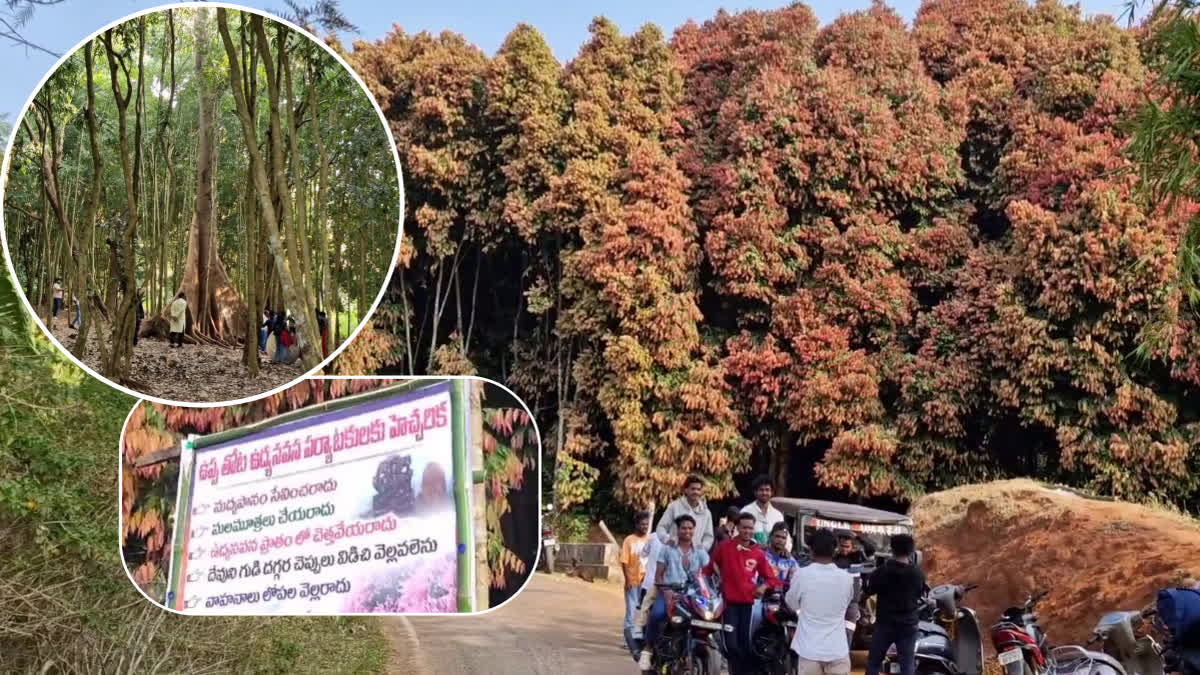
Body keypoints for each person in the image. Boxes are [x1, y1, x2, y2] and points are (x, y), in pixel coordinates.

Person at [704, 512, 782, 675]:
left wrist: (763, 587)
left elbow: (772, 578)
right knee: (730, 645)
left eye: (750, 528)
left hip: (748, 605)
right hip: (728, 604)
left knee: (744, 644)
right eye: (744, 527)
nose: (747, 531)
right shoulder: (724, 547)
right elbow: (708, 570)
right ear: (738, 527)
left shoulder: (758, 553)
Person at [639, 514, 710, 671]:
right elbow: (659, 574)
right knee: (657, 615)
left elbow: (708, 572)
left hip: (693, 596)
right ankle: (648, 649)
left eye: (690, 528)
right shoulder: (667, 549)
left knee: (707, 619)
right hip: (669, 592)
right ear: (677, 530)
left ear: (694, 530)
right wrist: (666, 592)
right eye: (683, 528)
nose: (687, 531)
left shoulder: (700, 551)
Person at [785, 528, 856, 675]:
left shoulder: (802, 575)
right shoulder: (847, 579)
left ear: (811, 551)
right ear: (835, 551)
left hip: (809, 651)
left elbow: (791, 602)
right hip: (838, 651)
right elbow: (848, 602)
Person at [863, 534, 925, 675]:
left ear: (892, 549)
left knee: (874, 662)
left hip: (885, 624)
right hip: (908, 626)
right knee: (907, 664)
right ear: (911, 551)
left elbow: (868, 590)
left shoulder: (881, 572)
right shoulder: (917, 573)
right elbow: (920, 593)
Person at [620, 512, 652, 658]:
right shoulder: (629, 540)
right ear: (637, 525)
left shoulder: (650, 540)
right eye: (642, 524)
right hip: (632, 582)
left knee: (644, 612)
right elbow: (624, 561)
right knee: (631, 611)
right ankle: (628, 640)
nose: (645, 527)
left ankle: (641, 639)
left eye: (647, 524)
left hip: (646, 583)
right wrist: (627, 580)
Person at [655, 475, 714, 553]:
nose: (696, 492)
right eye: (693, 489)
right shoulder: (674, 506)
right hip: (674, 554)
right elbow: (661, 527)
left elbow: (709, 537)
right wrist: (668, 540)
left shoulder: (706, 513)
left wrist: (702, 548)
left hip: (695, 557)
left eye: (698, 489)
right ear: (686, 490)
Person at [741, 475, 788, 548]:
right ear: (755, 492)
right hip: (749, 555)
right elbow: (738, 536)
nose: (764, 493)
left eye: (767, 490)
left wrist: (785, 550)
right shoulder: (746, 511)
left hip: (772, 557)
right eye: (761, 490)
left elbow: (786, 539)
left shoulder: (778, 515)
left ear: (772, 492)